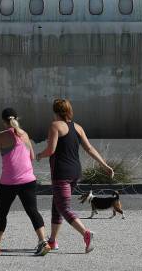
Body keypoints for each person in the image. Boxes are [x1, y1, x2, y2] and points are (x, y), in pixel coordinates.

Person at [36, 98, 114, 253]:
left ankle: (86, 233)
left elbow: (51, 150)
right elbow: (90, 148)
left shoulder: (55, 126)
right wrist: (105, 165)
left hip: (61, 173)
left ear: (55, 112)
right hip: (75, 172)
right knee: (57, 205)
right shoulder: (78, 127)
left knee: (64, 207)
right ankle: (52, 241)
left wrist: (39, 155)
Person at [0, 108, 50, 256]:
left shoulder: (0, 136)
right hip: (29, 180)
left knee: (2, 213)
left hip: (9, 182)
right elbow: (32, 156)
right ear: (17, 118)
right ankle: (43, 242)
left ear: (3, 121)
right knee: (32, 211)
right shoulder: (25, 134)